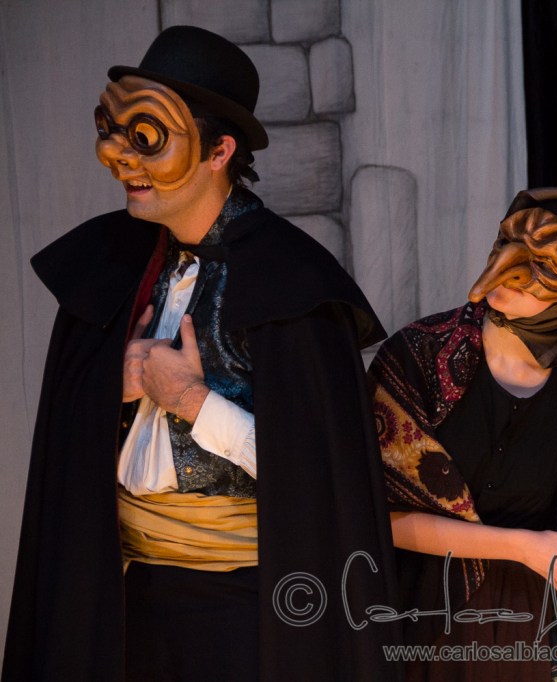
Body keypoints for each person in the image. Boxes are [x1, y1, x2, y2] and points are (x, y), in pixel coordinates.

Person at [3, 26, 399, 681]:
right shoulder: (116, 261)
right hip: (128, 596)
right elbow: (65, 444)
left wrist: (192, 400)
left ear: (219, 150)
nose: (119, 159)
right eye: (112, 132)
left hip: (243, 610)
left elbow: (321, 481)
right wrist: (113, 386)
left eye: (147, 137)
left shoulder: (293, 283)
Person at [368, 187, 557, 680]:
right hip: (410, 615)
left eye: (546, 262)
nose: (510, 268)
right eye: (506, 242)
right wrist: (522, 546)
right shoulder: (420, 355)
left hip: (522, 633)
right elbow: (371, 514)